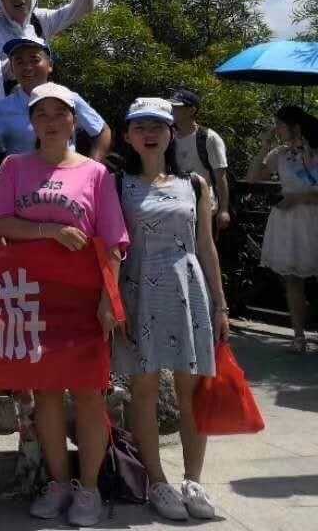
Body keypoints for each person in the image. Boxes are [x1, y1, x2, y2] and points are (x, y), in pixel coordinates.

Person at [0, 83, 127, 528]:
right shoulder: (13, 166)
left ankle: (88, 488)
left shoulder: (95, 173)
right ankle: (58, 482)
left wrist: (110, 300)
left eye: (59, 114)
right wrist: (49, 232)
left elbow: (114, 243)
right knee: (46, 393)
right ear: (32, 122)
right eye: (41, 114)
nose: (50, 122)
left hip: (85, 297)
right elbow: (0, 221)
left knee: (88, 394)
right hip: (32, 296)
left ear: (74, 120)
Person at [112, 98, 227, 522]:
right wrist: (112, 301)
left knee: (191, 390)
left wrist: (220, 303)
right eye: (139, 125)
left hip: (188, 288)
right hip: (138, 289)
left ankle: (193, 479)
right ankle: (158, 481)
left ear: (171, 132)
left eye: (157, 125)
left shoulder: (195, 184)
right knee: (143, 390)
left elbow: (206, 244)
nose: (149, 132)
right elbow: (109, 247)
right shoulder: (116, 183)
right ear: (127, 135)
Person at [249, 106, 318, 353]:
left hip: (312, 218)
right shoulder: (279, 154)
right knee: (293, 279)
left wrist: (299, 197)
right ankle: (298, 336)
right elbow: (252, 178)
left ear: (294, 127)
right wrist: (264, 147)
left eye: (279, 124)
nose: (276, 129)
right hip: (289, 222)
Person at [0, 37, 111, 161]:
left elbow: (102, 131)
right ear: (12, 69)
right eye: (19, 61)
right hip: (23, 184)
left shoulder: (70, 98)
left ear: (50, 65)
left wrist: (92, 170)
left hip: (69, 181)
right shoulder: (1, 109)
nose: (27, 67)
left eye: (35, 60)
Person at [169, 88, 232, 232]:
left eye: (177, 107)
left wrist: (224, 210)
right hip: (175, 204)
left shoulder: (209, 138)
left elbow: (220, 177)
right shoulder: (168, 137)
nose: (172, 111)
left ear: (192, 110)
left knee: (202, 249)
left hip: (204, 206)